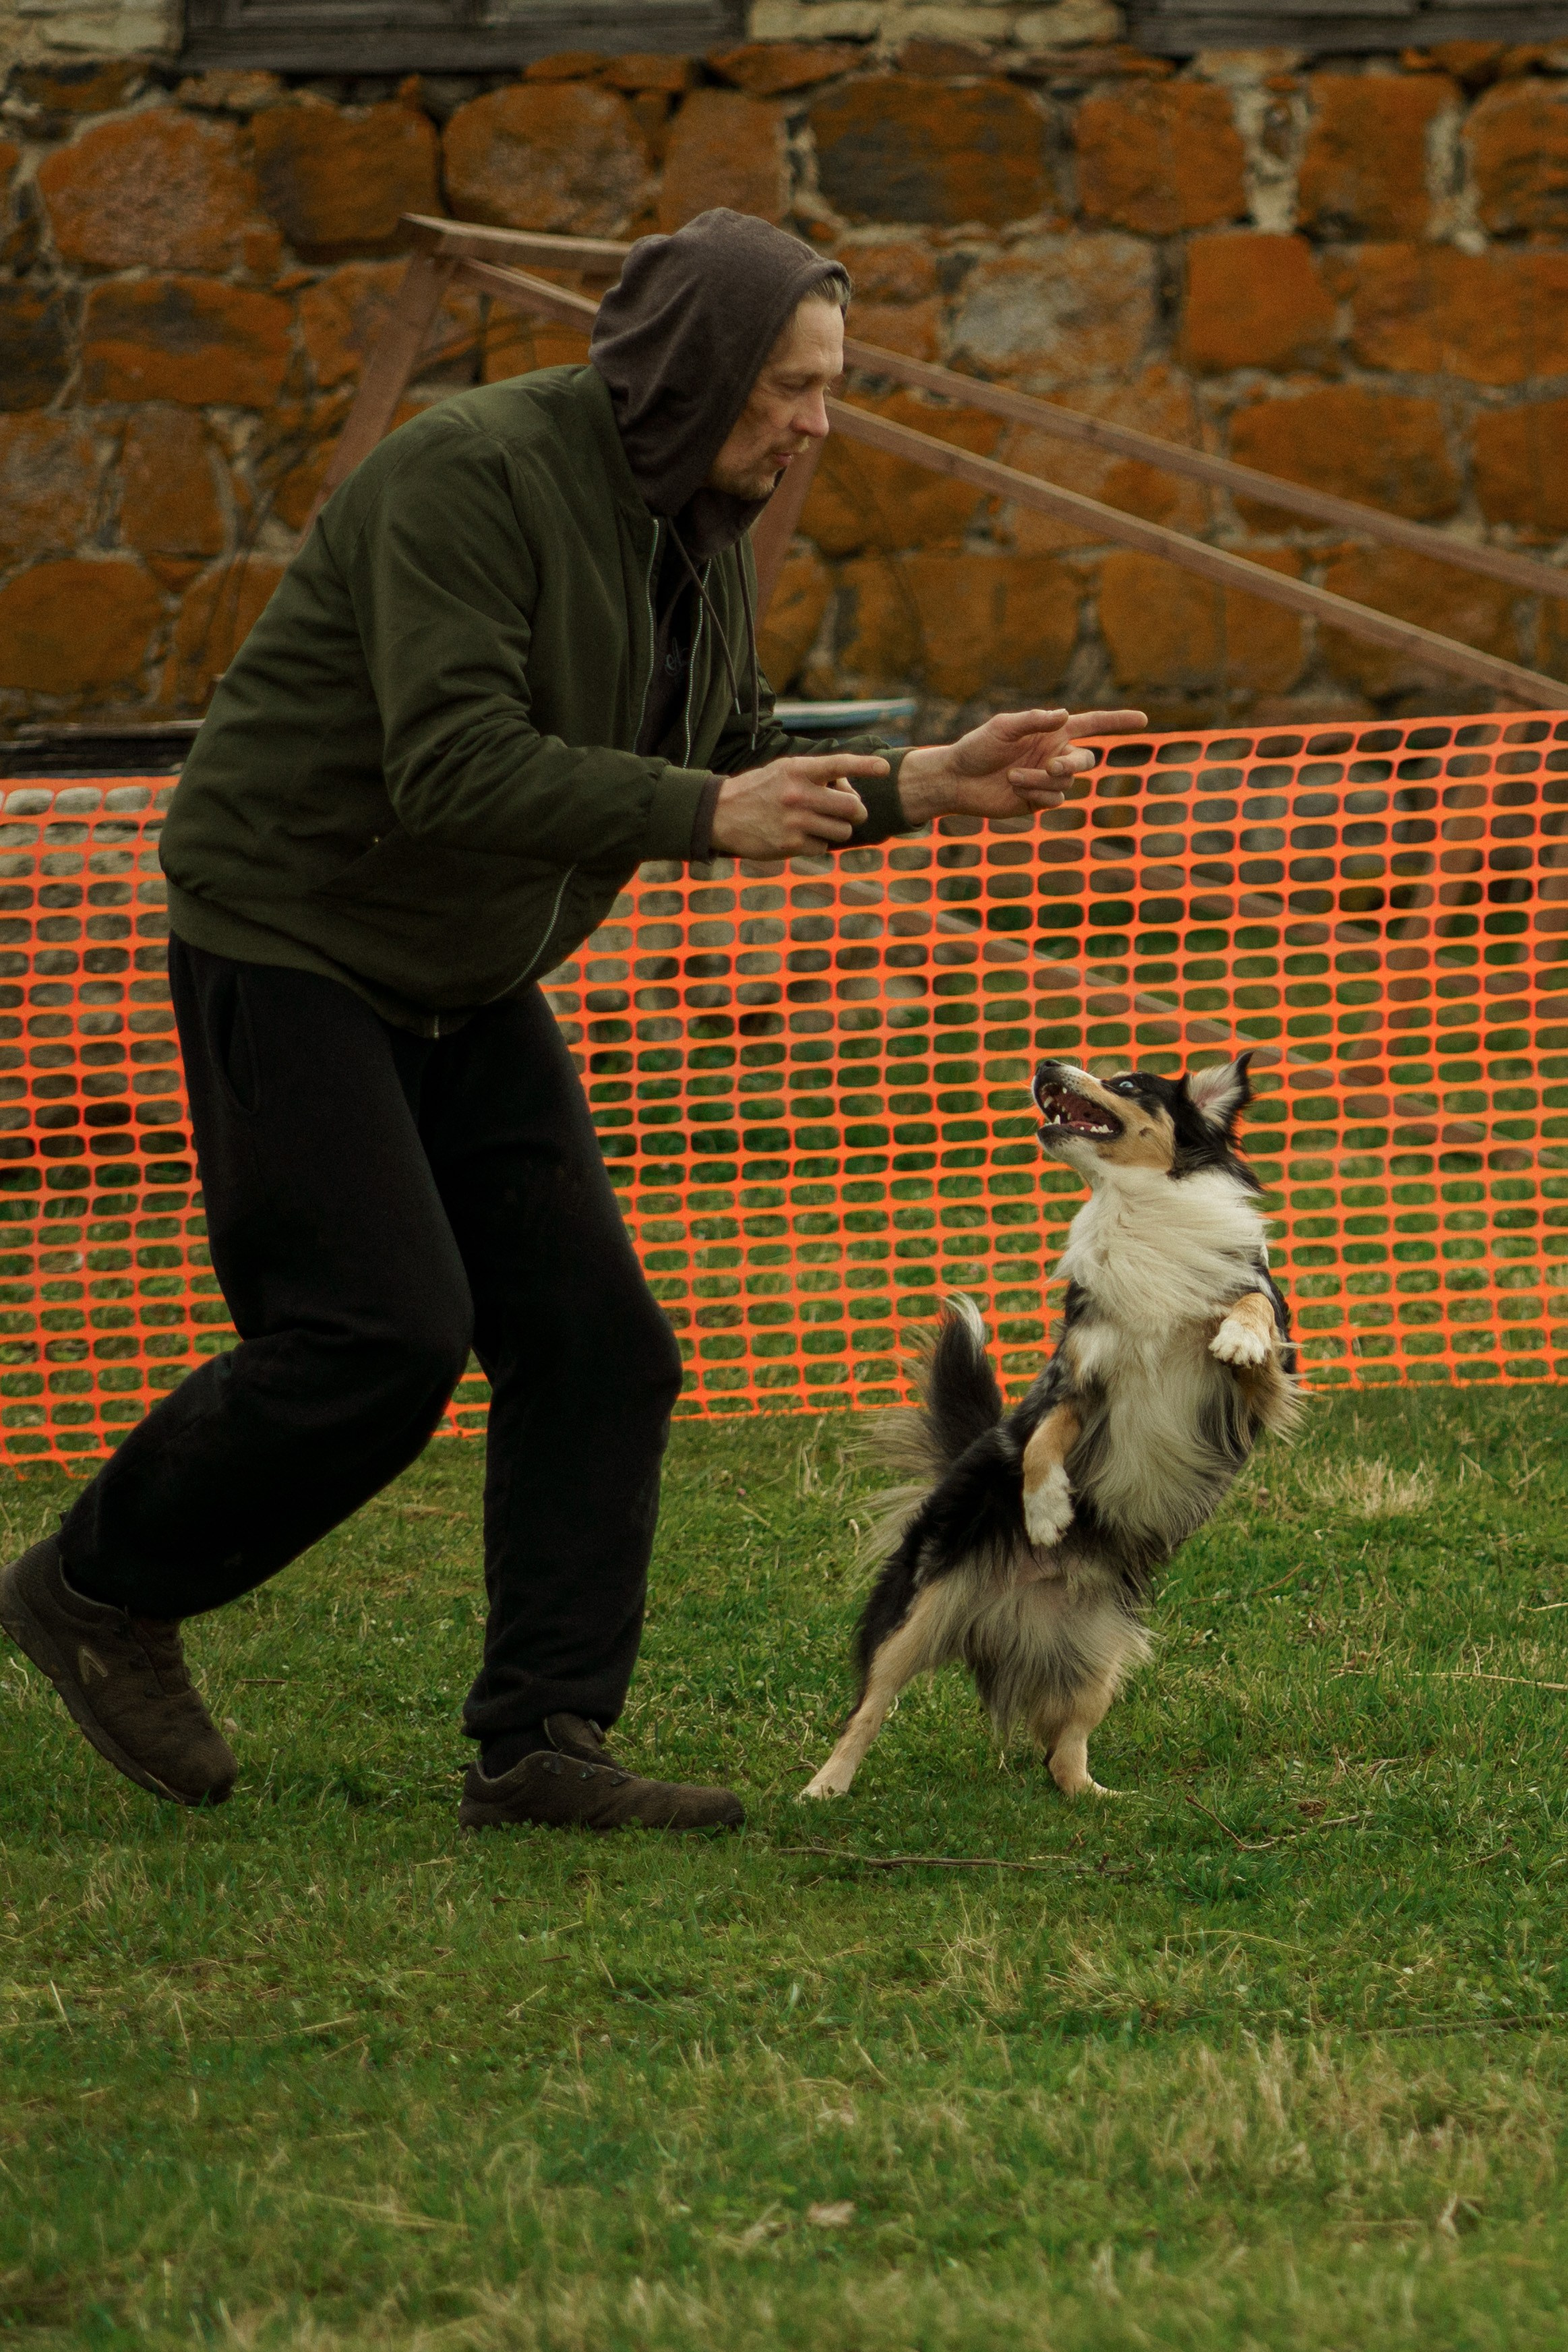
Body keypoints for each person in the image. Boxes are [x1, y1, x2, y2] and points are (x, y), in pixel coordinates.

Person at [0, 208, 1145, 1833]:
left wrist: (927, 782)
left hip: (461, 971)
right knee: (376, 1336)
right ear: (693, 372)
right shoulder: (464, 478)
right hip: (293, 936)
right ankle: (95, 1589)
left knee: (602, 1349)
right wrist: (700, 811)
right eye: (791, 388)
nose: (815, 422)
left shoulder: (696, 518)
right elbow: (452, 764)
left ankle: (541, 1745)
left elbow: (729, 744)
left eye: (827, 387)